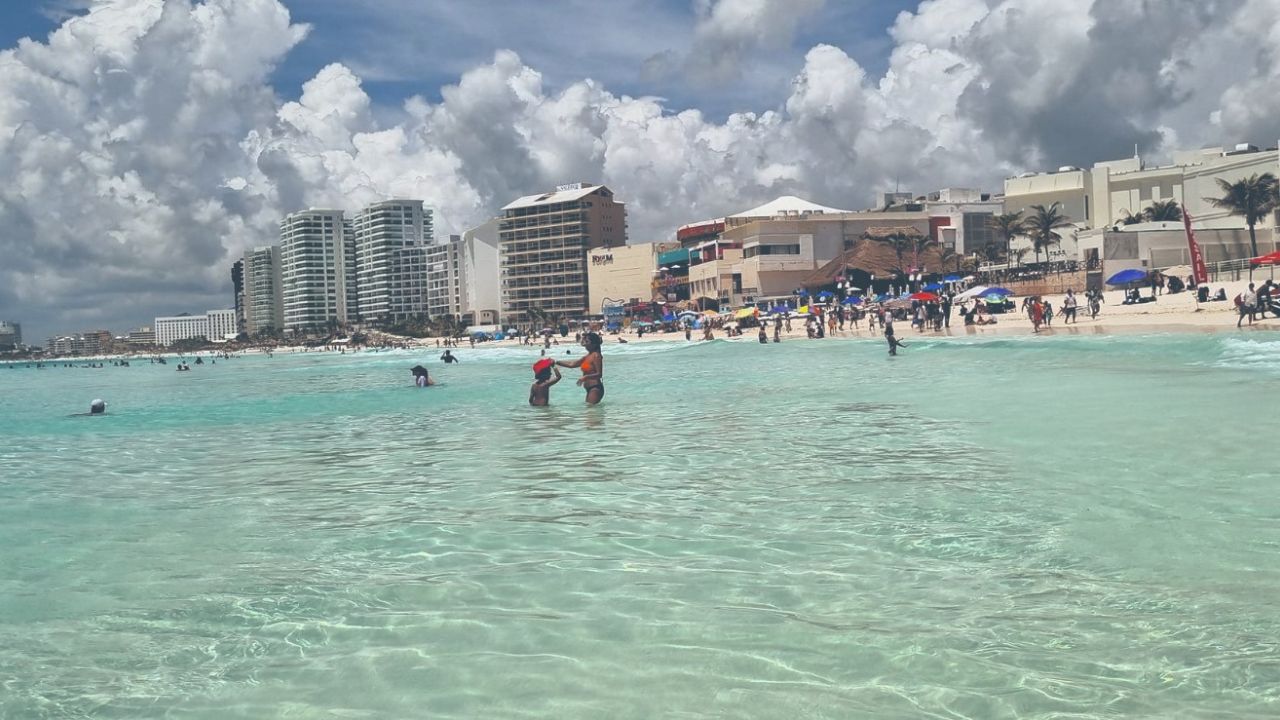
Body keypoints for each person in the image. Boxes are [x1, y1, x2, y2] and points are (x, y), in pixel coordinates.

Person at [557, 331, 604, 405]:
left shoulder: (596, 356)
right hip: (589, 388)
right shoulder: (587, 356)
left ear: (594, 344)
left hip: (595, 388)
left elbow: (599, 374)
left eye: (587, 341)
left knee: (591, 412)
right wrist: (556, 362)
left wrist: (585, 377)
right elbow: (572, 364)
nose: (585, 343)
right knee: (590, 412)